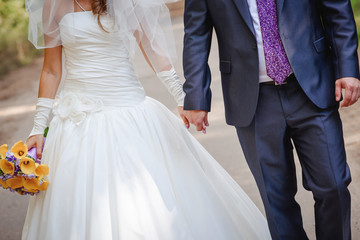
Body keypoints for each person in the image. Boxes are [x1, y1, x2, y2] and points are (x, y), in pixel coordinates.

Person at [22, 0, 271, 239]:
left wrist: (182, 98)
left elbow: (153, 50)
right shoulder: (54, 5)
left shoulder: (124, 2)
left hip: (129, 106)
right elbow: (52, 70)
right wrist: (37, 127)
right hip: (76, 119)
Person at [182, 0, 360, 239]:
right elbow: (195, 33)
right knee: (276, 200)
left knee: (334, 184)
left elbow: (337, 10)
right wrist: (196, 97)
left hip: (311, 86)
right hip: (252, 100)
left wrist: (347, 68)